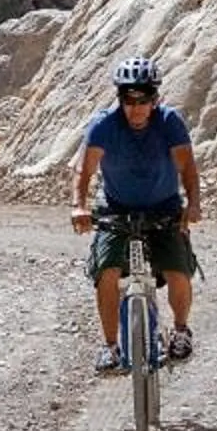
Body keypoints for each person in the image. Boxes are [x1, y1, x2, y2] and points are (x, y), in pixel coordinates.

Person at [70, 54, 201, 372]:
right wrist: (79, 205)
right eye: (129, 99)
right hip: (115, 208)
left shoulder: (169, 122)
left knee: (177, 269)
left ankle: (181, 331)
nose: (136, 107)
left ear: (154, 98)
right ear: (121, 98)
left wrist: (193, 203)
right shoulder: (105, 124)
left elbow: (188, 168)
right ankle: (110, 347)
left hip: (164, 206)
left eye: (144, 99)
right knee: (107, 272)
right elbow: (83, 171)